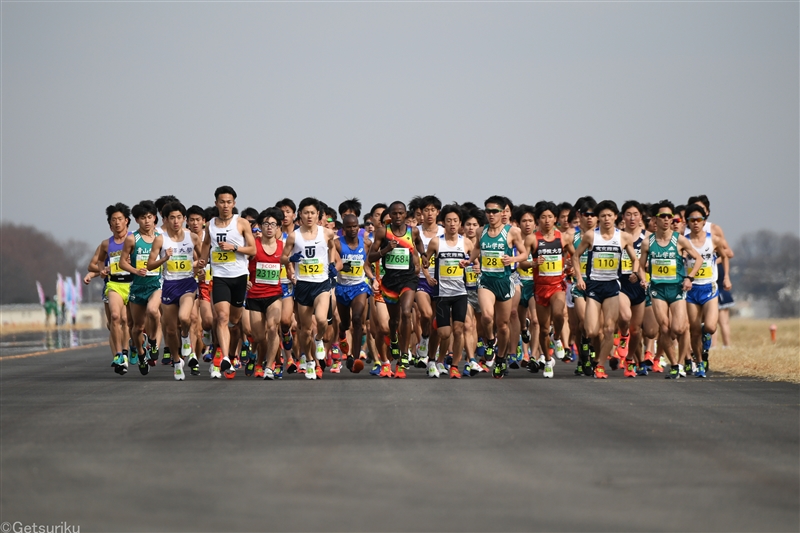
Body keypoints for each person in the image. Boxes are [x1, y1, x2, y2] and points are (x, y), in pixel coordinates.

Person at [573, 200, 640, 379]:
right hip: (594, 285)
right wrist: (579, 278)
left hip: (612, 285)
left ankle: (600, 366)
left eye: (609, 215)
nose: (606, 219)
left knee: (609, 329)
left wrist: (634, 272)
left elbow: (635, 258)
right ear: (598, 218)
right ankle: (593, 352)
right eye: (602, 216)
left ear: (615, 217)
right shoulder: (590, 236)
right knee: (592, 331)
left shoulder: (624, 237)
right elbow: (576, 256)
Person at [638, 200, 703, 379]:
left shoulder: (679, 239)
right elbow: (640, 266)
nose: (666, 220)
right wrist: (643, 279)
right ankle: (674, 364)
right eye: (662, 216)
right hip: (657, 289)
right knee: (665, 328)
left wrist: (690, 278)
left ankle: (682, 362)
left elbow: (698, 259)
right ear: (655, 219)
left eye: (669, 216)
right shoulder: (647, 242)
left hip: (676, 289)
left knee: (679, 328)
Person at [467, 196, 528, 379]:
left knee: (502, 325)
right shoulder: (480, 231)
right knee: (486, 316)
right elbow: (477, 248)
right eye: (488, 211)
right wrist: (469, 261)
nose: (491, 214)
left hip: (505, 281)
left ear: (503, 213)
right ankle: (490, 342)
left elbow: (524, 254)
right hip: (486, 281)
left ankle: (501, 358)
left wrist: (513, 259)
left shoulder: (512, 232)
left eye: (495, 211)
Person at [199, 186, 256, 379]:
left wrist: (235, 247)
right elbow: (206, 245)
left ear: (234, 203)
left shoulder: (241, 223)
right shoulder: (210, 225)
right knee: (221, 317)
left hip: (239, 277)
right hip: (220, 277)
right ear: (216, 203)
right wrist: (202, 261)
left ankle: (230, 352)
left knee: (235, 320)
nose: (225, 205)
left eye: (229, 202)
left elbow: (253, 250)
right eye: (222, 202)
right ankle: (224, 357)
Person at [281, 197, 339, 380]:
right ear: (300, 214)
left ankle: (320, 339)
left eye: (313, 213)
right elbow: (282, 257)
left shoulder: (326, 233)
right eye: (305, 212)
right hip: (303, 285)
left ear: (318, 215)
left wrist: (331, 264)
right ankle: (310, 362)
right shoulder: (294, 236)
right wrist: (291, 260)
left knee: (322, 320)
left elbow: (332, 248)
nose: (309, 216)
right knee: (304, 330)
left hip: (321, 284)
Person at [519, 201, 577, 378]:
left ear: (556, 219)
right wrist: (532, 263)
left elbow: (574, 255)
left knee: (559, 314)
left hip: (557, 285)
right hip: (540, 287)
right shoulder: (532, 239)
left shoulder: (564, 237)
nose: (547, 220)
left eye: (550, 217)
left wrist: (571, 266)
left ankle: (558, 337)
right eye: (543, 217)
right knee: (543, 329)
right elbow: (522, 261)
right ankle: (546, 359)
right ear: (538, 220)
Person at [367, 201, 423, 378]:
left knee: (406, 312)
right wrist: (385, 250)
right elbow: (371, 257)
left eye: (401, 213)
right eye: (395, 213)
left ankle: (404, 354)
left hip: (408, 279)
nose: (398, 216)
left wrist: (424, 255)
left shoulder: (412, 230)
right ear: (390, 215)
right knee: (393, 321)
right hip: (389, 281)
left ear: (405, 214)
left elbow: (419, 243)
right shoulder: (383, 232)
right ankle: (394, 340)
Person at [147, 202, 202, 380]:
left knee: (185, 318)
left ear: (184, 219)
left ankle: (185, 336)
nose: (176, 221)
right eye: (172, 218)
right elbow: (150, 264)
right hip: (169, 284)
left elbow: (203, 258)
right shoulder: (161, 239)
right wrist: (165, 258)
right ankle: (177, 361)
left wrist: (200, 267)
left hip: (187, 283)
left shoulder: (192, 237)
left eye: (179, 217)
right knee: (170, 330)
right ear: (165, 220)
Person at [422, 204, 474, 378]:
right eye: (449, 221)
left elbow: (476, 261)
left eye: (455, 221)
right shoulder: (437, 241)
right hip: (442, 293)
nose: (452, 224)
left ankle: (453, 366)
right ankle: (432, 359)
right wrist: (428, 276)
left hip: (460, 293)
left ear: (460, 223)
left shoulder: (466, 242)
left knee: (459, 330)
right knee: (444, 333)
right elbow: (425, 262)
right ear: (443, 222)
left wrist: (473, 267)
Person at [684, 203, 731, 377]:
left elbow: (725, 256)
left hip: (709, 287)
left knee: (710, 327)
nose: (695, 223)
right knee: (694, 329)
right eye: (692, 220)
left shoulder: (714, 239)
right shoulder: (684, 240)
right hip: (691, 290)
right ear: (687, 222)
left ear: (704, 221)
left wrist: (726, 277)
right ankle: (699, 361)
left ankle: (706, 337)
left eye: (699, 219)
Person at [119, 200, 163, 376]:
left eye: (150, 217)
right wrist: (135, 270)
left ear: (155, 218)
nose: (147, 221)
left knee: (154, 311)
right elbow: (122, 262)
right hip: (138, 286)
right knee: (137, 328)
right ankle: (142, 354)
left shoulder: (160, 237)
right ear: (137, 220)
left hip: (156, 284)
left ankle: (152, 341)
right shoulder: (132, 238)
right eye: (143, 217)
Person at [88, 203, 133, 374]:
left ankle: (129, 350)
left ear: (126, 221)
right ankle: (119, 355)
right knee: (114, 319)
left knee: (126, 321)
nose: (117, 223)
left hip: (131, 284)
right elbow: (94, 264)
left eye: (120, 219)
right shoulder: (106, 244)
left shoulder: (134, 240)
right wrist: (101, 270)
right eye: (113, 220)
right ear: (110, 224)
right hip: (113, 283)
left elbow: (146, 261)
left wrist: (132, 264)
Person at [246, 208, 285, 380]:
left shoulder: (283, 247)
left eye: (273, 224)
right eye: (266, 224)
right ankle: (258, 357)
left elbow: (292, 264)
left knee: (272, 328)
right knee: (258, 336)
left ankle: (270, 366)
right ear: (260, 226)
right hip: (254, 294)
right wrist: (244, 280)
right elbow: (239, 263)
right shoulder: (253, 245)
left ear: (278, 227)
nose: (269, 227)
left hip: (274, 294)